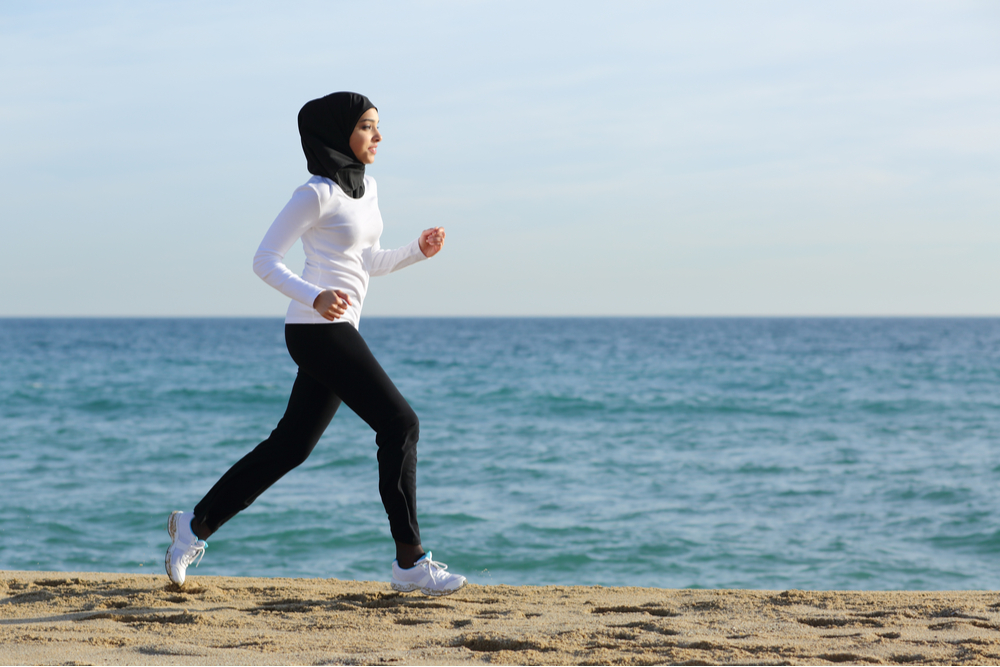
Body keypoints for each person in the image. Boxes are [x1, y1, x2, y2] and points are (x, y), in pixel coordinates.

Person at [164, 92, 467, 597]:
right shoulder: (315, 194)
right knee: (400, 422)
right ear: (338, 132)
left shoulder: (365, 189)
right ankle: (410, 563)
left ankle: (192, 527)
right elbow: (264, 260)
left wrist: (417, 251)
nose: (378, 136)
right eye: (367, 126)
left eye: (377, 126)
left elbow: (366, 261)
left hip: (337, 329)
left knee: (290, 447)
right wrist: (314, 294)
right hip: (314, 328)